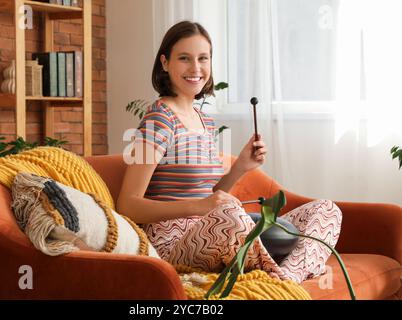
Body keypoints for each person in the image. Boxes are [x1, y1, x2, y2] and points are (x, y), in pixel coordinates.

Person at [117, 21, 342, 283]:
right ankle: (276, 275)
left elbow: (211, 196)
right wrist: (200, 207)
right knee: (233, 216)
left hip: (215, 230)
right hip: (172, 242)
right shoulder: (159, 119)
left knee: (327, 210)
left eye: (203, 58)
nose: (196, 68)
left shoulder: (204, 121)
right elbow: (128, 204)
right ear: (165, 63)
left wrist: (240, 168)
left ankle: (286, 280)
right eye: (184, 59)